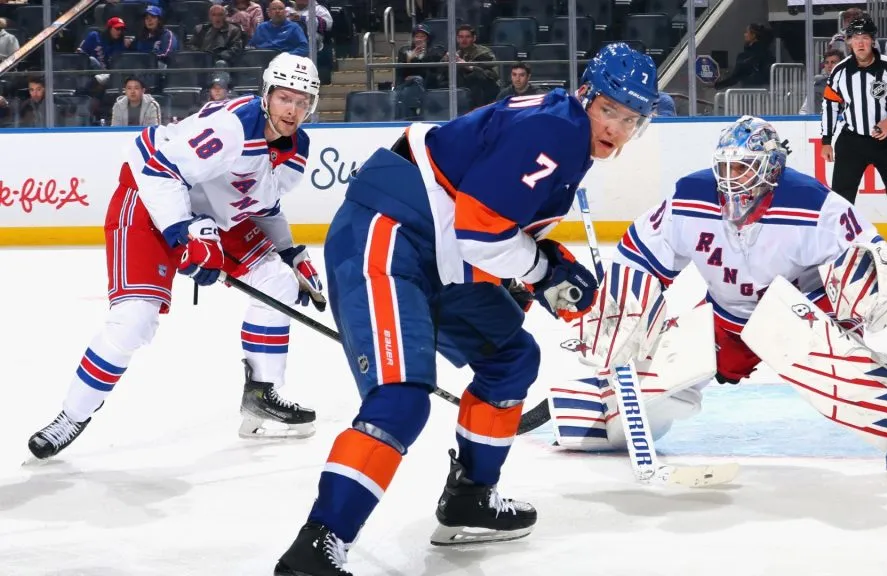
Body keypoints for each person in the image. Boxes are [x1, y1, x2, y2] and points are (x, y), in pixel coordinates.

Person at [272, 43, 659, 576]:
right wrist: (543, 272)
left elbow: (485, 222)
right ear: (587, 96)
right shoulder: (557, 132)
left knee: (511, 356)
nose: (617, 127)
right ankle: (315, 548)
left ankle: (469, 498)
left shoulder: (563, 131)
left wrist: (539, 269)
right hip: (389, 236)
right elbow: (480, 232)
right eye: (610, 109)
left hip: (436, 247)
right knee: (400, 400)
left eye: (631, 118)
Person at [560, 115, 887, 480]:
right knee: (661, 370)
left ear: (772, 170)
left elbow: (869, 266)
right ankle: (601, 414)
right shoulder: (690, 196)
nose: (731, 182)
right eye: (725, 169)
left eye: (744, 170)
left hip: (796, 310)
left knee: (830, 370)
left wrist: (856, 306)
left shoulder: (815, 205)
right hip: (725, 317)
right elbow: (639, 258)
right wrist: (620, 311)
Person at [26, 54, 327, 460]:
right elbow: (160, 170)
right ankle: (72, 415)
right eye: (284, 98)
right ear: (267, 95)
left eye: (302, 101)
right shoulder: (233, 128)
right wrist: (183, 233)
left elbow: (263, 205)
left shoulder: (297, 150)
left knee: (278, 281)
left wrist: (291, 252)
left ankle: (261, 394)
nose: (292, 109)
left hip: (212, 211)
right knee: (134, 319)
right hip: (150, 198)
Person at [821, 18, 887, 266]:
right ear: (848, 42)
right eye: (855, 38)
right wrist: (826, 140)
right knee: (841, 196)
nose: (860, 42)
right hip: (851, 141)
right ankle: (839, 246)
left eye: (865, 38)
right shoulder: (839, 71)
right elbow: (829, 106)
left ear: (872, 40)